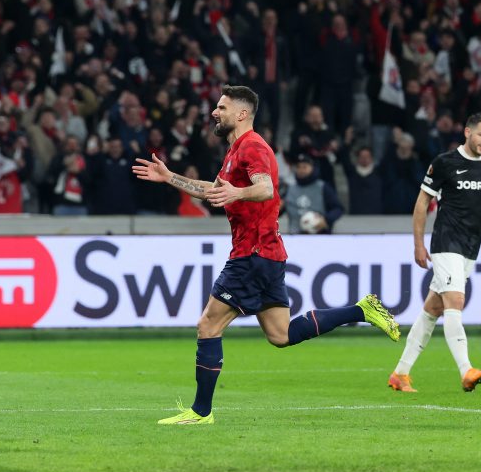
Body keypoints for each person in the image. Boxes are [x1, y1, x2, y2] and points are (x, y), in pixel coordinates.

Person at [133, 85, 400, 425]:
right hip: (267, 254)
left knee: (208, 325)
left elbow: (265, 188)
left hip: (252, 254)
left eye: (222, 107)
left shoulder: (253, 146)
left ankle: (201, 412)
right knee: (280, 334)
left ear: (242, 113)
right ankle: (361, 309)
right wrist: (169, 176)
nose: (215, 112)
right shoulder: (235, 152)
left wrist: (238, 193)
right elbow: (213, 191)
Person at [388, 112, 481, 394]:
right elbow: (422, 204)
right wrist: (418, 244)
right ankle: (466, 370)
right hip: (446, 242)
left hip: (470, 247)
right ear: (467, 132)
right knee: (456, 300)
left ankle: (400, 374)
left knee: (433, 309)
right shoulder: (445, 163)